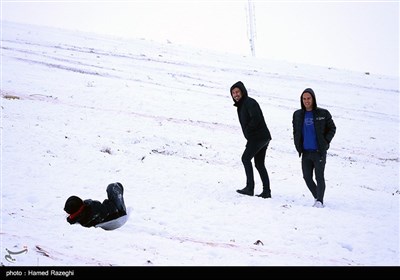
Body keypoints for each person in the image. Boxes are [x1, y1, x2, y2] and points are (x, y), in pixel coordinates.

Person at [292, 88, 336, 208]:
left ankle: (319, 201)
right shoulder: (298, 115)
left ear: (313, 99)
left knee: (319, 176)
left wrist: (326, 142)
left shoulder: (323, 113)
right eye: (304, 99)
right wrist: (297, 144)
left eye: (308, 98)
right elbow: (296, 131)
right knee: (307, 177)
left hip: (318, 152)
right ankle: (317, 196)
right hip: (306, 152)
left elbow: (332, 128)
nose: (306, 101)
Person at [230, 81, 272, 198]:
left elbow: (256, 118)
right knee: (259, 164)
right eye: (233, 93)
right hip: (262, 137)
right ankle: (266, 191)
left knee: (245, 158)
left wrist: (248, 130)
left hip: (257, 137)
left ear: (242, 92)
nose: (235, 94)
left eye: (237, 92)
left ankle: (250, 188)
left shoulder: (249, 102)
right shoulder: (242, 105)